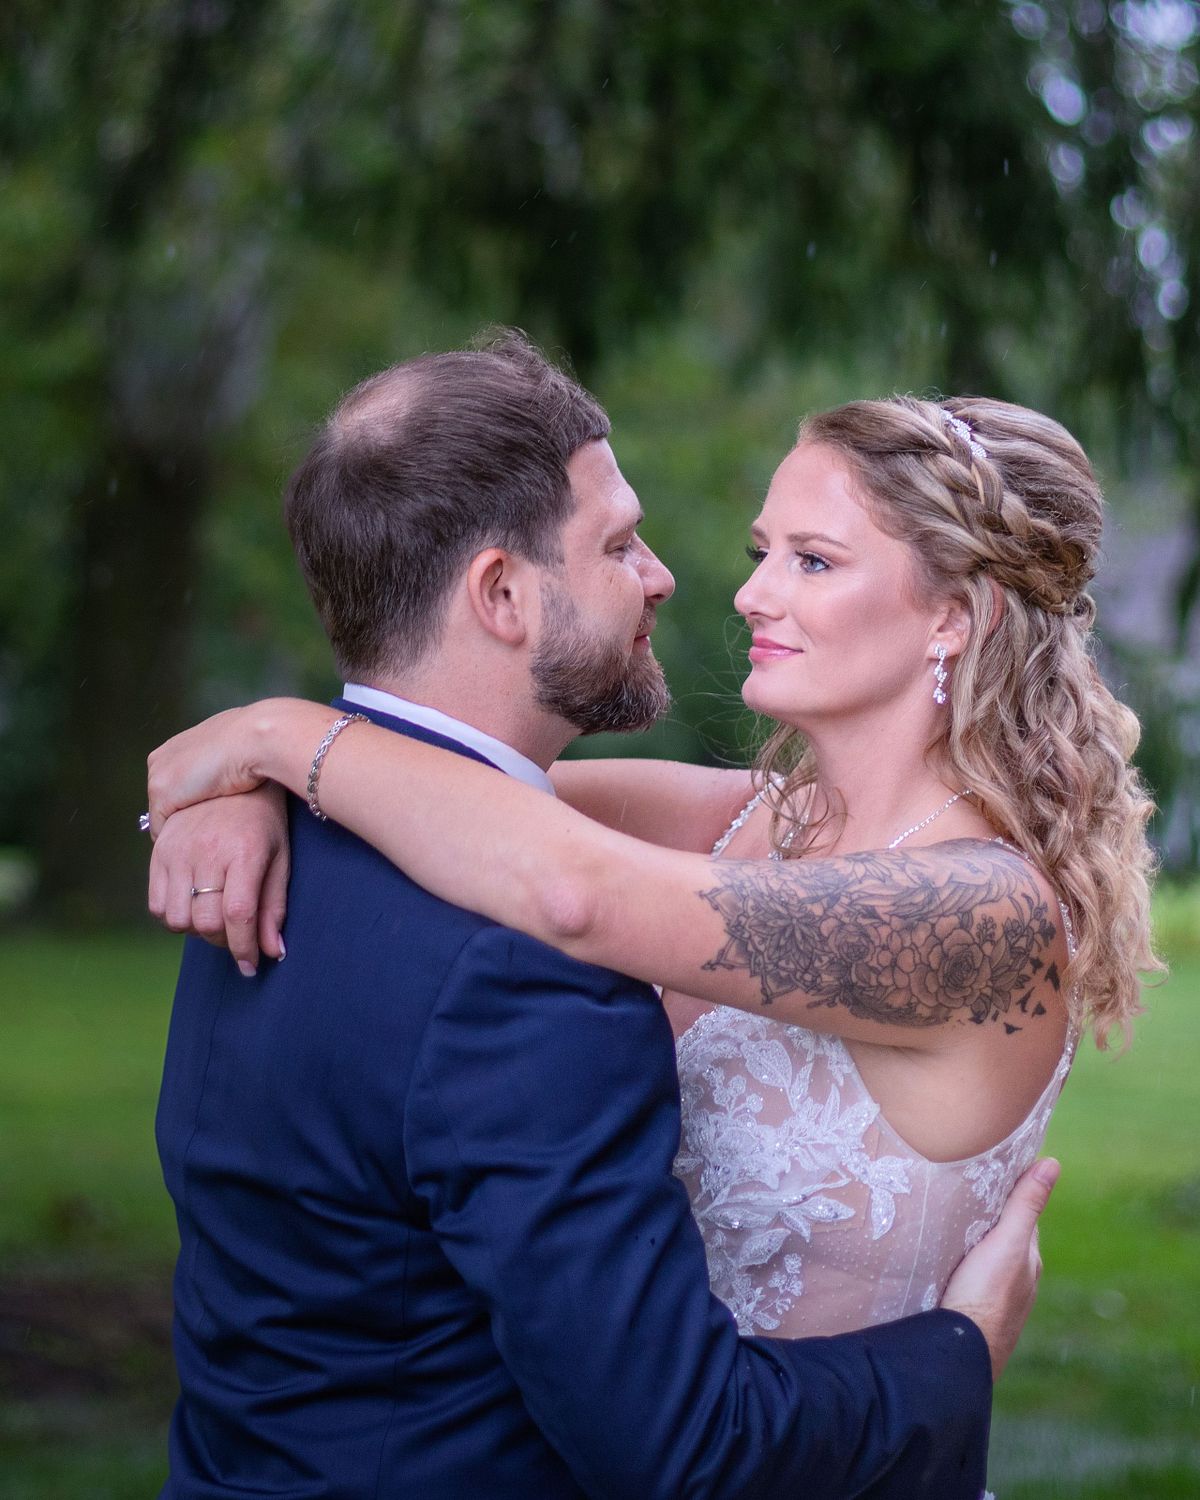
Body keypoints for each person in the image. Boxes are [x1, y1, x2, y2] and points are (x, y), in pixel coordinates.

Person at [147, 332, 1061, 1499]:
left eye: (814, 560)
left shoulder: (972, 914)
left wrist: (274, 743)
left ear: (955, 617)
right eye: (622, 544)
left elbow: (563, 875)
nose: (723, 586)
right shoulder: (604, 885)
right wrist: (960, 1358)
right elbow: (682, 1444)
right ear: (503, 594)